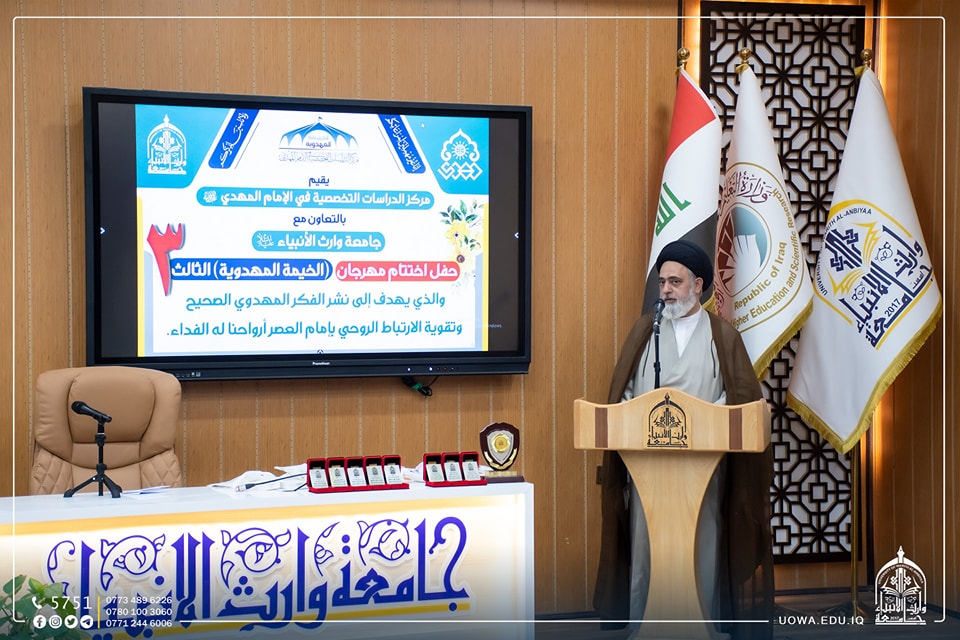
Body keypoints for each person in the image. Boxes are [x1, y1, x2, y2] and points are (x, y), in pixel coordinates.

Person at [593, 239, 774, 640]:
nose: (666, 290)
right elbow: (624, 393)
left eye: (675, 282)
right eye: (662, 282)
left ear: (698, 285)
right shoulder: (645, 331)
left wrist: (705, 423)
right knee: (647, 548)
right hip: (647, 469)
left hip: (703, 470)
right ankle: (646, 626)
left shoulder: (721, 336)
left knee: (701, 545)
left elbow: (737, 397)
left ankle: (701, 625)